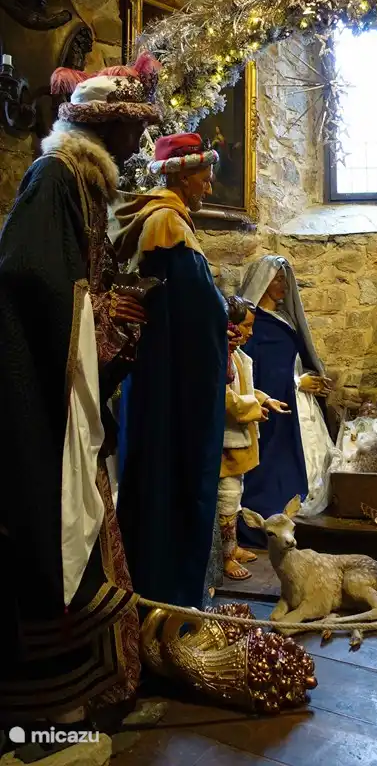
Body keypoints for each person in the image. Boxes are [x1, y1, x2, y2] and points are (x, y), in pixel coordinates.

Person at [0, 57, 160, 727]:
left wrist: (110, 308)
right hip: (37, 397)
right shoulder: (54, 178)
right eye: (131, 131)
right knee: (53, 532)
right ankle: (57, 702)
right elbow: (22, 277)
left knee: (91, 530)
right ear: (103, 127)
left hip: (70, 396)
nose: (139, 143)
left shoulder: (88, 188)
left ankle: (101, 690)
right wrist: (93, 313)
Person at [113, 133, 228, 607]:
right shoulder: (168, 224)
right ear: (182, 174)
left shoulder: (168, 220)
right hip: (174, 387)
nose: (209, 183)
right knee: (172, 480)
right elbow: (196, 310)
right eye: (204, 174)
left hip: (164, 379)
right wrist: (226, 320)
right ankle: (168, 598)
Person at [238, 255, 333, 546]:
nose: (283, 285)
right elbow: (253, 371)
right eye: (277, 278)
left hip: (297, 400)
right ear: (262, 282)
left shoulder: (285, 319)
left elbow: (289, 362)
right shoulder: (253, 323)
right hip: (271, 404)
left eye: (284, 278)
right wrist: (296, 383)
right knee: (272, 468)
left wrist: (307, 378)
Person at [216, 295, 290, 582]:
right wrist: (252, 407)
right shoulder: (221, 357)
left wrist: (265, 399)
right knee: (226, 497)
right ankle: (225, 555)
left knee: (235, 496)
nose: (249, 333)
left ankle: (232, 548)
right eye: (245, 326)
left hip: (241, 437)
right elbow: (224, 397)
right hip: (227, 439)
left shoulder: (237, 356)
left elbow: (246, 388)